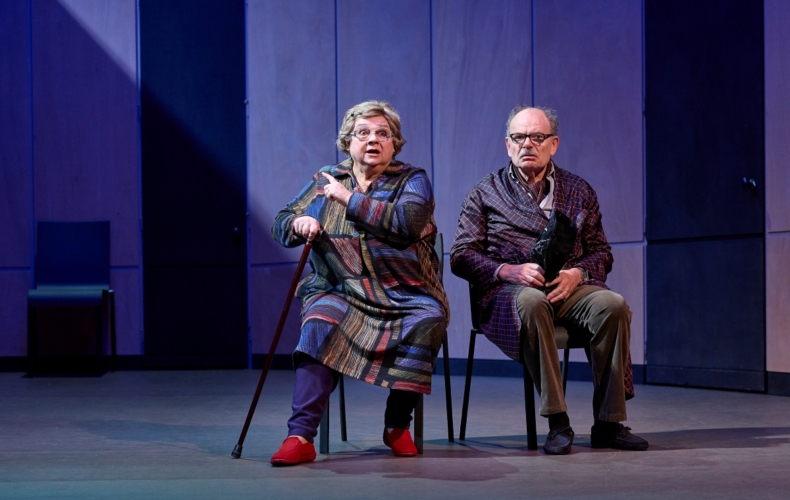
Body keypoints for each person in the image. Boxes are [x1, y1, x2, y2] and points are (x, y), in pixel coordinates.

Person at [450, 105, 648, 455]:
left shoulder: (578, 190)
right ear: (507, 145)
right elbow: (461, 255)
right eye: (519, 137)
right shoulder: (484, 193)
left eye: (537, 137)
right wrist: (507, 271)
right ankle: (558, 420)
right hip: (509, 293)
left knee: (612, 305)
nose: (528, 144)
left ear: (553, 144)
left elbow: (602, 252)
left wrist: (578, 273)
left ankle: (609, 422)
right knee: (532, 300)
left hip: (568, 288)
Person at [269, 100, 449, 466]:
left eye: (383, 133)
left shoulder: (412, 179)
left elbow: (406, 225)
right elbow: (281, 221)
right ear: (347, 142)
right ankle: (300, 435)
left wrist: (349, 199)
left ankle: (397, 425)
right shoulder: (327, 178)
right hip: (340, 289)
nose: (372, 140)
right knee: (319, 321)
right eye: (362, 133)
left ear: (395, 143)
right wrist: (297, 224)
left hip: (404, 292)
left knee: (429, 318)